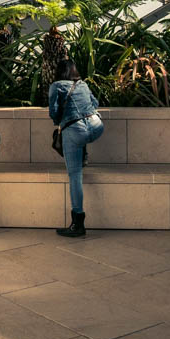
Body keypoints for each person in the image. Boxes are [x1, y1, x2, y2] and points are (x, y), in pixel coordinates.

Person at [48, 59, 103, 238]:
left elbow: (53, 112)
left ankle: (77, 223)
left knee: (75, 175)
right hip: (96, 127)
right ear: (74, 70)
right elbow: (95, 103)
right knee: (80, 138)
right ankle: (83, 155)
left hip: (76, 131)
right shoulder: (83, 84)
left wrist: (60, 121)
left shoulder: (56, 86)